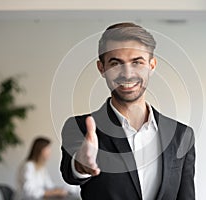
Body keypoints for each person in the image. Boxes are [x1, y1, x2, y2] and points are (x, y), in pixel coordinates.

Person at [60, 22, 195, 200]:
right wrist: (81, 166)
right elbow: (71, 174)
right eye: (115, 63)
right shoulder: (80, 127)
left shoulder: (181, 134)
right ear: (102, 68)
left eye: (137, 62)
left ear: (152, 65)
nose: (127, 73)